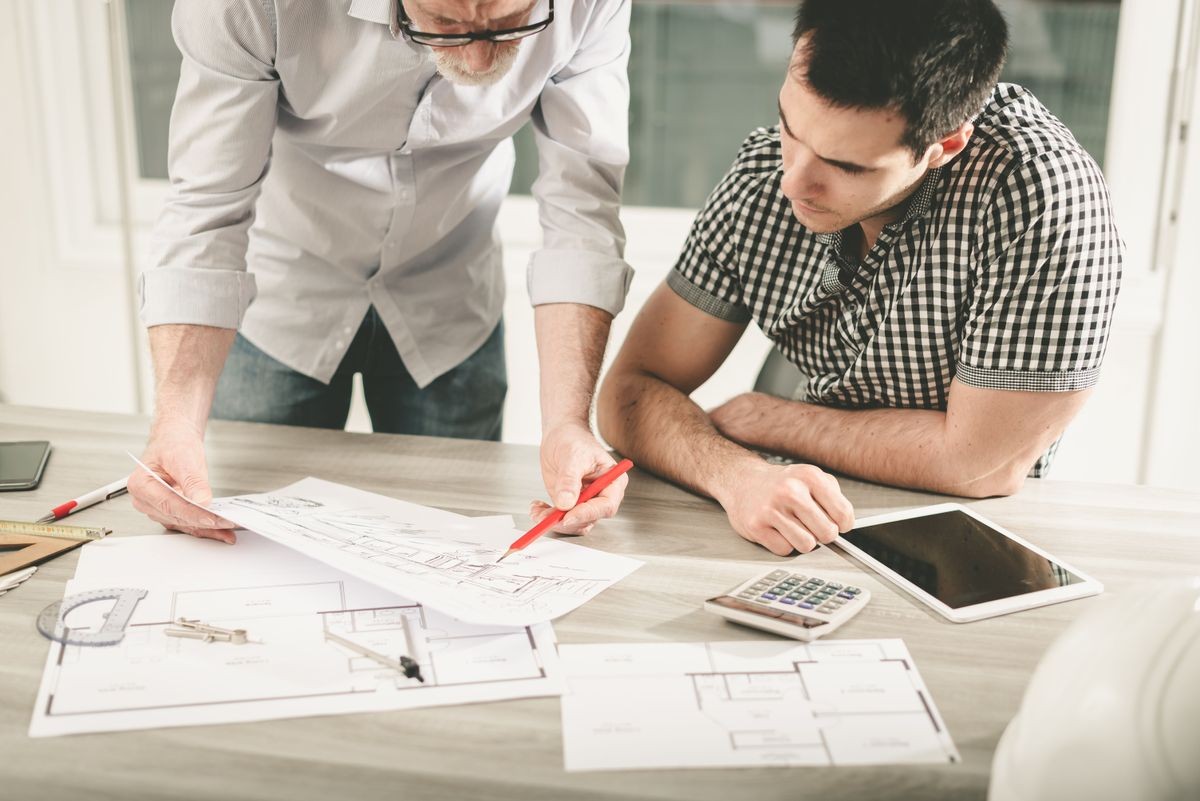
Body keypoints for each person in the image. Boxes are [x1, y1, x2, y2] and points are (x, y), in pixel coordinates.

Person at [597, 0, 1123, 557]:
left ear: (945, 145)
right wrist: (738, 477)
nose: (793, 183)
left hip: (961, 538)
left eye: (846, 166)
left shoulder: (1041, 198)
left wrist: (774, 420)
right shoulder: (764, 174)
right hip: (778, 508)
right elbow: (627, 394)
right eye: (789, 128)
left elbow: (980, 464)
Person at [129, 0, 634, 542]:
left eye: (513, 23)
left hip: (453, 300)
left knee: (455, 547)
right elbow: (207, 209)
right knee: (255, 544)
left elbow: (580, 217)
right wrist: (176, 424)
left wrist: (567, 423)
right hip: (285, 294)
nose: (483, 61)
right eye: (447, 24)